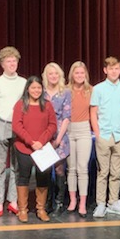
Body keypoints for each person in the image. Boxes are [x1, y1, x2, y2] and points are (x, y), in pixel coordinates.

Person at [90, 57, 120, 218]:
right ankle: (101, 203)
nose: (114, 71)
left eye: (117, 69)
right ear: (105, 70)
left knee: (116, 172)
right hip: (104, 134)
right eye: (111, 69)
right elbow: (93, 112)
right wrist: (97, 132)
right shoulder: (98, 89)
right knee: (103, 172)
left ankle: (113, 202)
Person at [12, 76, 57, 223]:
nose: (36, 90)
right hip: (24, 147)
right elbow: (17, 126)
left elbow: (52, 125)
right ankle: (23, 209)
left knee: (42, 177)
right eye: (33, 88)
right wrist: (31, 142)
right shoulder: (20, 104)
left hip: (43, 149)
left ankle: (41, 209)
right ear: (27, 89)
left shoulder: (48, 105)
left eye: (39, 88)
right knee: (23, 177)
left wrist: (41, 142)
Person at [0, 46, 27, 217]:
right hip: (2, 125)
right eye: (8, 61)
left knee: (16, 167)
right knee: (0, 168)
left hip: (18, 127)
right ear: (2, 64)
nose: (12, 64)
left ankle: (12, 201)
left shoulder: (24, 82)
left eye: (14, 61)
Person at [41, 62, 71, 215]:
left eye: (56, 73)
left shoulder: (65, 92)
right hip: (43, 135)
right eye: (50, 73)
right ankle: (47, 201)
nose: (53, 76)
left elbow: (66, 117)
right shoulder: (41, 92)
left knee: (59, 169)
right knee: (45, 170)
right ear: (46, 76)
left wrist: (58, 139)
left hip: (60, 135)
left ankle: (59, 201)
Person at [66, 61, 93, 218]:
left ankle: (83, 203)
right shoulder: (66, 90)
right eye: (77, 73)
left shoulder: (91, 90)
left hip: (84, 130)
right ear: (72, 75)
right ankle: (72, 200)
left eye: (82, 73)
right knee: (72, 168)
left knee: (82, 168)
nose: (79, 76)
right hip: (69, 129)